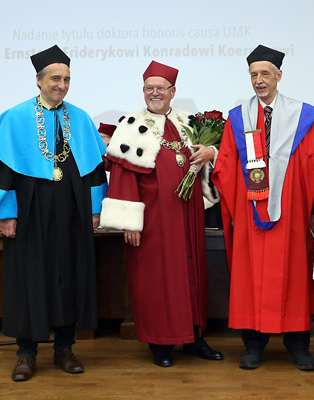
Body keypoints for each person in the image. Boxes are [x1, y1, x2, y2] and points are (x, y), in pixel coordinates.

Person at [0, 45, 108, 382]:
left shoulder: (79, 118)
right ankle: (26, 353)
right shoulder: (16, 117)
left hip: (72, 210)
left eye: (66, 79)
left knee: (70, 275)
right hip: (30, 211)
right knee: (29, 278)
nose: (62, 85)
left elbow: (95, 169)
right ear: (39, 80)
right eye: (55, 78)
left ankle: (65, 348)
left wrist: (95, 210)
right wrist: (7, 214)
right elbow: (3, 169)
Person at [100, 60, 222, 367]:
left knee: (190, 275)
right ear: (143, 92)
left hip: (188, 215)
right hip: (153, 219)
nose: (155, 93)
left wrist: (212, 152)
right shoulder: (131, 125)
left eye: (161, 88)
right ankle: (161, 343)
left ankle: (193, 338)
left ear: (172, 91)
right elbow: (124, 176)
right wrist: (129, 222)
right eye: (149, 88)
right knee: (157, 279)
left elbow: (205, 159)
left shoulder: (188, 121)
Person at [211, 45, 314, 371]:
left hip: (290, 209)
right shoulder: (238, 117)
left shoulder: (300, 116)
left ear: (279, 76)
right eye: (254, 75)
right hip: (250, 210)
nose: (259, 80)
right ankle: (253, 344)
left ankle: (298, 346)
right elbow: (229, 161)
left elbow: (310, 162)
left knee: (293, 274)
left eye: (265, 74)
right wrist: (216, 161)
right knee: (251, 277)